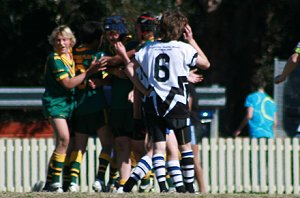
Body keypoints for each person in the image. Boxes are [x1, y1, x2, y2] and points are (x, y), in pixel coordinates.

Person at [115, 10, 210, 193]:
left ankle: (163, 189)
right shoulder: (183, 48)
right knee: (185, 148)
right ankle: (189, 188)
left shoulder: (148, 48)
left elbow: (128, 67)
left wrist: (144, 91)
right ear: (181, 29)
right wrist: (191, 40)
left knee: (158, 149)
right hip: (177, 102)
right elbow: (205, 64)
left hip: (154, 102)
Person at [41, 25, 102, 192]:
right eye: (58, 40)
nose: (61, 43)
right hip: (56, 103)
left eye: (64, 39)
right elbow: (67, 84)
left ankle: (54, 183)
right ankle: (54, 182)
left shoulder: (71, 56)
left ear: (71, 41)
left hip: (71, 104)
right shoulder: (54, 58)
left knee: (71, 142)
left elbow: (76, 79)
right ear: (53, 42)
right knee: (64, 139)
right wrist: (88, 73)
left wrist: (89, 81)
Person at [61, 21, 114, 192]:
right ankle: (99, 179)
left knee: (79, 147)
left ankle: (73, 182)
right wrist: (100, 81)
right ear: (98, 39)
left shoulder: (72, 54)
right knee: (107, 144)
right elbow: (108, 76)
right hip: (97, 105)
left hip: (79, 106)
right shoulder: (99, 56)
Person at [234, 72, 277, 138]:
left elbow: (249, 115)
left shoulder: (251, 97)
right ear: (264, 85)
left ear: (252, 86)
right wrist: (274, 135)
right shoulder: (271, 101)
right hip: (270, 134)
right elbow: (275, 122)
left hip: (256, 132)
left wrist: (239, 129)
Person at [187, 83, 206, 193]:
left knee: (193, 159)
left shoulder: (188, 86)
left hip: (192, 124)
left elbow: (187, 107)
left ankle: (202, 189)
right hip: (188, 124)